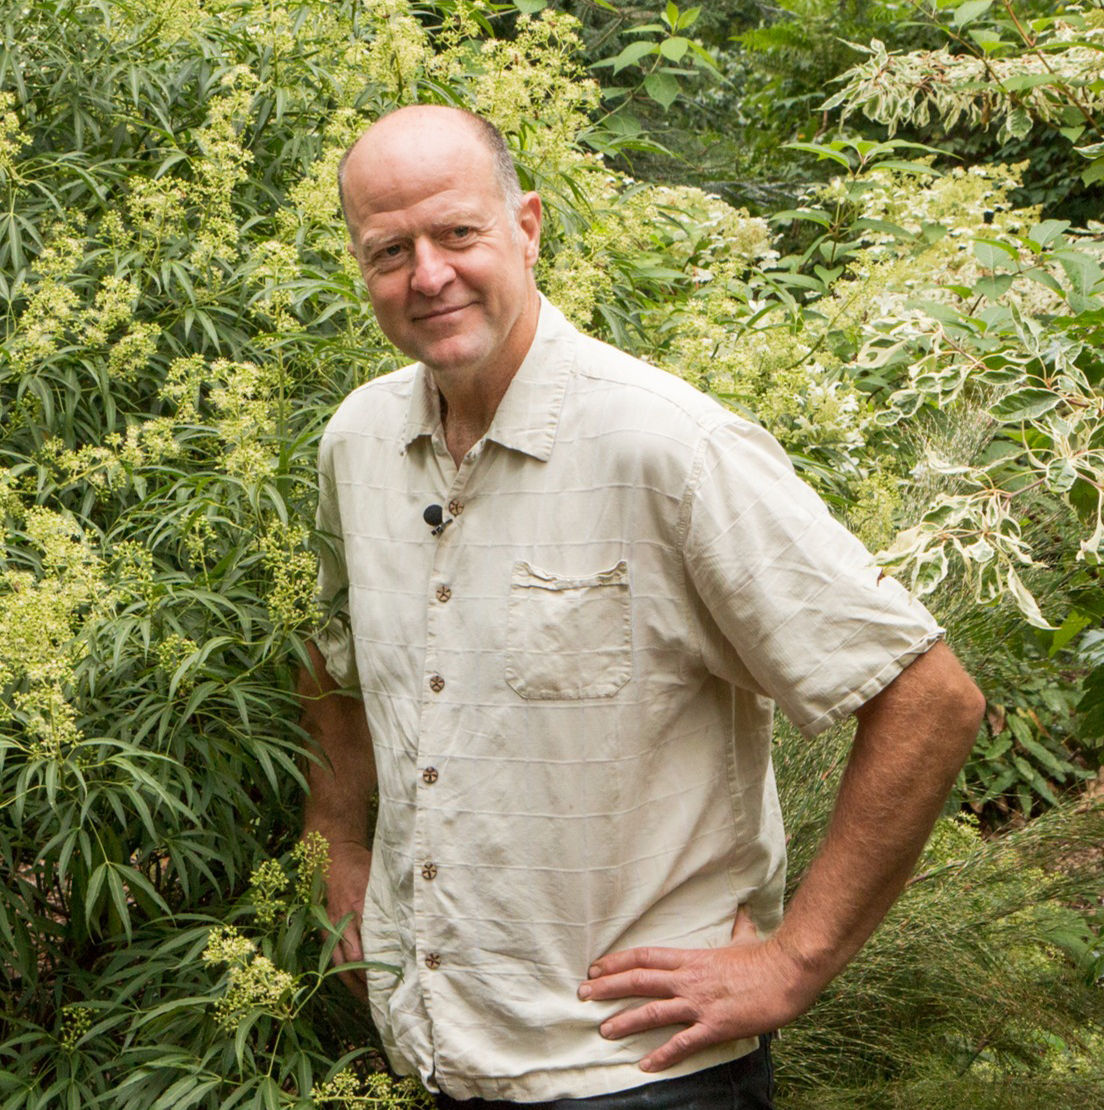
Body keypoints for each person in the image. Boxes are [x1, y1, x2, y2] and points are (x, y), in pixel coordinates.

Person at [299, 104, 985, 1109]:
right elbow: (331, 655)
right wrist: (341, 840)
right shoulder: (355, 444)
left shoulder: (668, 450)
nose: (427, 275)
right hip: (437, 1049)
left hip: (644, 1074)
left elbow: (930, 697)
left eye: (457, 234)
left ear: (526, 225)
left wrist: (794, 962)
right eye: (389, 250)